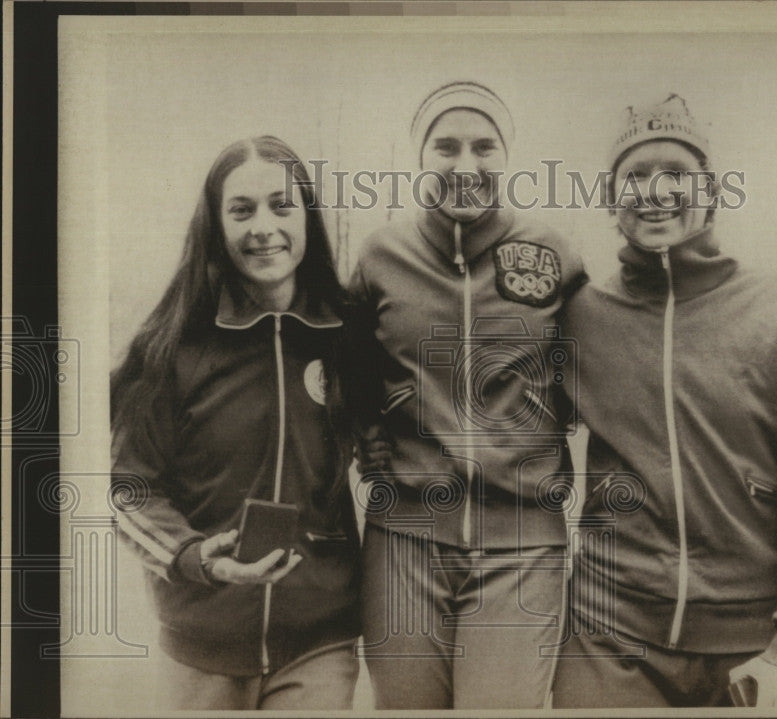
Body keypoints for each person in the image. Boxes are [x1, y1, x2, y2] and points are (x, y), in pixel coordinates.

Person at [551, 95, 777, 708]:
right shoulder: (581, 316)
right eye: (633, 176)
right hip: (609, 637)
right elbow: (512, 426)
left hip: (750, 643)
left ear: (710, 191)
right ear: (611, 199)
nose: (654, 190)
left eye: (675, 173)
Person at [349, 81, 587, 709]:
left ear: (506, 156)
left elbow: (600, 376)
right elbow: (345, 371)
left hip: (522, 543)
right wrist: (363, 433)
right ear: (420, 156)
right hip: (404, 540)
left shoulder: (553, 254)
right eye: (445, 146)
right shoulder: (380, 257)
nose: (465, 165)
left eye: (484, 147)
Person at [111, 136, 361, 710]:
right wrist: (193, 555)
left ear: (307, 217)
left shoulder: (347, 337)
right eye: (241, 210)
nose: (263, 227)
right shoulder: (169, 348)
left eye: (281, 205)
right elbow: (126, 486)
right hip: (201, 645)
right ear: (215, 225)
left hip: (320, 641)